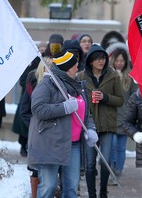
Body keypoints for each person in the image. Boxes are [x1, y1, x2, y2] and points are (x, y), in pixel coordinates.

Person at [27, 51, 98, 198]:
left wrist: (91, 129)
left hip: (74, 145)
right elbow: (38, 109)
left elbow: (86, 113)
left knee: (71, 188)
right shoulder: (47, 85)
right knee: (49, 186)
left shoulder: (78, 86)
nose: (78, 68)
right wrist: (64, 108)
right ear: (67, 68)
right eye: (75, 66)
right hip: (50, 144)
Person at [77, 44, 124, 198]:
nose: (101, 61)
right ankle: (92, 194)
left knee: (105, 161)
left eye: (103, 58)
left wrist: (105, 97)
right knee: (90, 164)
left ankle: (103, 192)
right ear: (90, 61)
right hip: (89, 125)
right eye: (97, 58)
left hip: (108, 125)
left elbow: (121, 100)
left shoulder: (113, 76)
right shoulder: (81, 77)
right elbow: (76, 98)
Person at [20, 57, 53, 198]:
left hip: (54, 136)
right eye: (48, 67)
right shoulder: (32, 85)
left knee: (51, 171)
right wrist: (35, 126)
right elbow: (24, 111)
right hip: (37, 136)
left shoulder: (59, 86)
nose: (51, 70)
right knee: (36, 170)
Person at [108, 44, 138, 180]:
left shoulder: (130, 77)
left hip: (125, 117)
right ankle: (111, 169)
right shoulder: (107, 75)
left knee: (121, 147)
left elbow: (134, 96)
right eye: (117, 60)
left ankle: (118, 171)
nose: (119, 63)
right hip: (111, 117)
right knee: (112, 146)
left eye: (122, 61)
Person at [12, 56, 40, 157]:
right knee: (24, 126)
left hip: (36, 99)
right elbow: (22, 81)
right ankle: (23, 146)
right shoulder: (29, 65)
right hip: (27, 96)